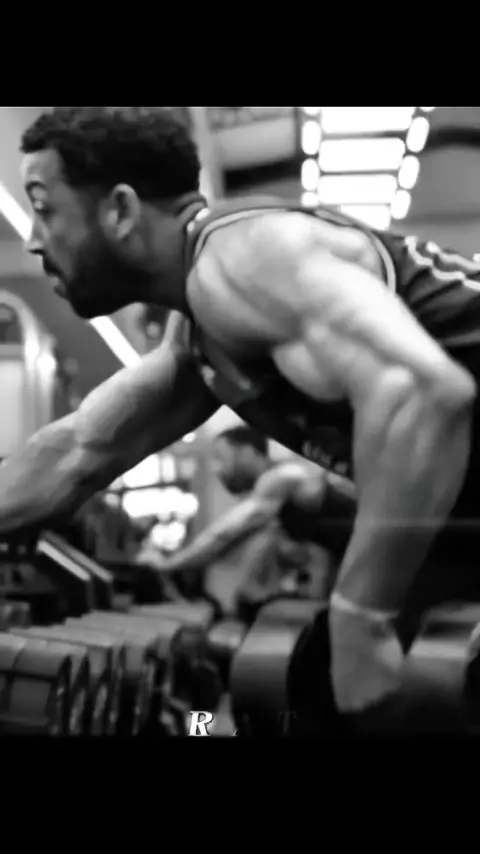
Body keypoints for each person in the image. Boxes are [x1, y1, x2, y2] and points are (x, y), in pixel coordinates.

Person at [2, 105, 480, 719]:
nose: (34, 240)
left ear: (120, 210)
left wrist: (362, 613)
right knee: (328, 689)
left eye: (45, 209)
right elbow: (76, 453)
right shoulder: (202, 337)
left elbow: (422, 392)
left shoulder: (243, 259)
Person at [138, 425, 355, 619]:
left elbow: (223, 535)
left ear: (248, 452)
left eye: (220, 457)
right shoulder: (284, 503)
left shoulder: (283, 477)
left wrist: (167, 563)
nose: (215, 469)